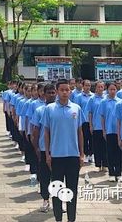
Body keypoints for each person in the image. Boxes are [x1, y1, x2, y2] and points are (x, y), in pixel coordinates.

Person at [43, 79, 85, 222]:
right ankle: (58, 218)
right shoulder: (49, 109)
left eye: (67, 90)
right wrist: (48, 154)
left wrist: (82, 154)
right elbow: (46, 133)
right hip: (56, 156)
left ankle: (71, 218)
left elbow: (80, 132)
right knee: (56, 189)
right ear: (57, 91)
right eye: (62, 90)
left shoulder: (76, 108)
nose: (65, 92)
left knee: (72, 189)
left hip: (73, 155)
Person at [31, 83, 56, 213]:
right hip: (44, 148)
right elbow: (36, 131)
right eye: (49, 93)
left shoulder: (59, 109)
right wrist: (36, 147)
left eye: (53, 92)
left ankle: (59, 201)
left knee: (58, 176)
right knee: (45, 176)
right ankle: (46, 200)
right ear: (44, 94)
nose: (52, 95)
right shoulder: (40, 110)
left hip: (59, 149)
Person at [100, 82, 122, 183]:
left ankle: (118, 172)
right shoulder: (104, 102)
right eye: (110, 89)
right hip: (109, 131)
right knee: (110, 152)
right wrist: (104, 130)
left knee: (119, 153)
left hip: (119, 132)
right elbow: (102, 117)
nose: (112, 91)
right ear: (107, 90)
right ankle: (111, 173)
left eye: (114, 89)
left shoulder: (120, 102)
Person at [86, 81, 107, 172]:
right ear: (95, 88)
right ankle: (98, 164)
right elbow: (90, 113)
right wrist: (90, 125)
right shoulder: (92, 99)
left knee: (105, 147)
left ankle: (105, 164)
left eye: (102, 87)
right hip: (96, 126)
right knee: (97, 147)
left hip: (105, 127)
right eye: (98, 87)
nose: (100, 89)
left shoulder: (106, 98)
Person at [73, 80, 93, 163]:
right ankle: (85, 153)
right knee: (84, 138)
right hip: (83, 121)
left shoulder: (93, 96)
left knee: (91, 138)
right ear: (83, 86)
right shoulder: (78, 97)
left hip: (91, 121)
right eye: (86, 85)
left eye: (89, 85)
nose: (87, 87)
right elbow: (76, 109)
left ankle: (91, 155)